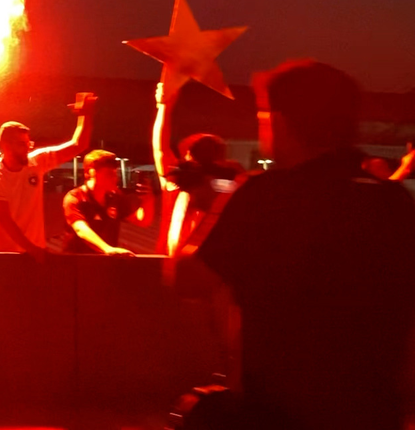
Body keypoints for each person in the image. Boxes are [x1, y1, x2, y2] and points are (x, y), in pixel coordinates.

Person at [175, 60, 415, 430]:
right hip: (371, 410)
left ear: (282, 121)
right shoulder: (393, 201)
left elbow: (187, 277)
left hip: (278, 411)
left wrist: (208, 200)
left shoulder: (265, 197)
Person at [0, 92, 97, 260]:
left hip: (35, 254)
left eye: (29, 143)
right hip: (6, 256)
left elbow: (78, 145)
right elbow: (5, 219)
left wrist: (85, 115)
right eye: (22, 144)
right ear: (5, 146)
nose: (28, 149)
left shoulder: (37, 161)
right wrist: (33, 250)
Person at [153, 82, 244, 256]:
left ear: (187, 155)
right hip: (214, 262)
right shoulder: (228, 183)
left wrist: (164, 107)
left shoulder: (179, 182)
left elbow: (160, 147)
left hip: (181, 261)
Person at [62, 150, 153, 255]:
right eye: (109, 174)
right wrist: (107, 248)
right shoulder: (75, 197)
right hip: (77, 264)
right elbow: (81, 230)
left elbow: (143, 221)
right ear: (89, 173)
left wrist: (148, 200)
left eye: (115, 173)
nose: (115, 178)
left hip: (106, 263)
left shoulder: (115, 197)